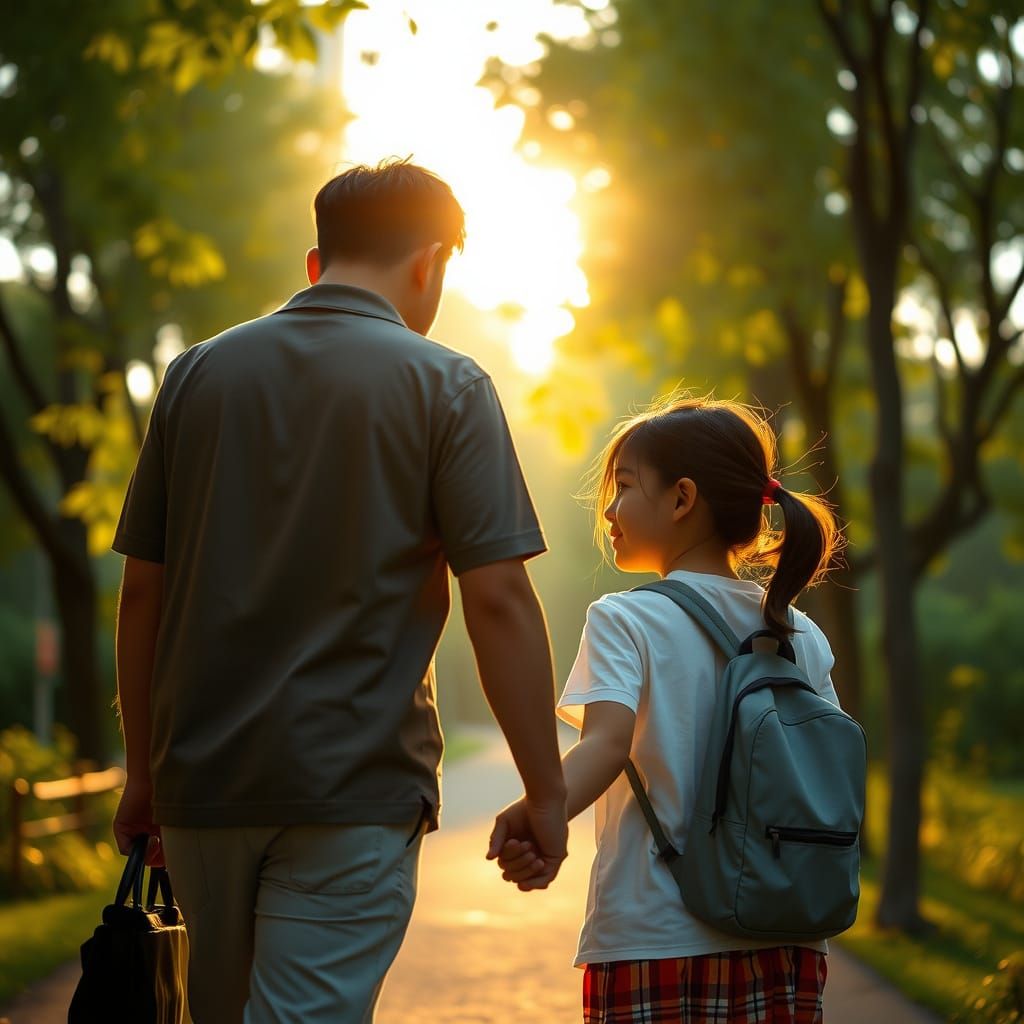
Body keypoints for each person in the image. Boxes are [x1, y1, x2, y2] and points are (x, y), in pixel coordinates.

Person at [111, 159, 568, 1024]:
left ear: (315, 263)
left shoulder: (196, 376)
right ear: (430, 262)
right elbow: (499, 600)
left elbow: (143, 594)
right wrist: (544, 793)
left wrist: (142, 776)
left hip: (203, 787)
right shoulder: (448, 384)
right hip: (355, 784)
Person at [489, 394, 843, 1024]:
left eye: (624, 487)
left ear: (682, 499)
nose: (608, 511)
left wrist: (540, 813)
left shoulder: (625, 618)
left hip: (655, 935)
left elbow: (604, 746)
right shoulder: (802, 634)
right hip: (783, 938)